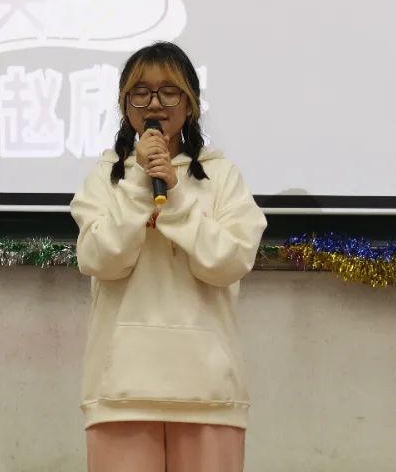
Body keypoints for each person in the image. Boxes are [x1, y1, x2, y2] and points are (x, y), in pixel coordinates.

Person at [70, 42, 267, 472]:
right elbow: (99, 259)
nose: (155, 103)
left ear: (190, 104)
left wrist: (174, 198)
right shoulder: (108, 177)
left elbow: (230, 262)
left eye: (168, 91)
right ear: (125, 106)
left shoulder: (221, 175)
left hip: (209, 391)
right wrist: (138, 186)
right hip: (120, 390)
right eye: (141, 92)